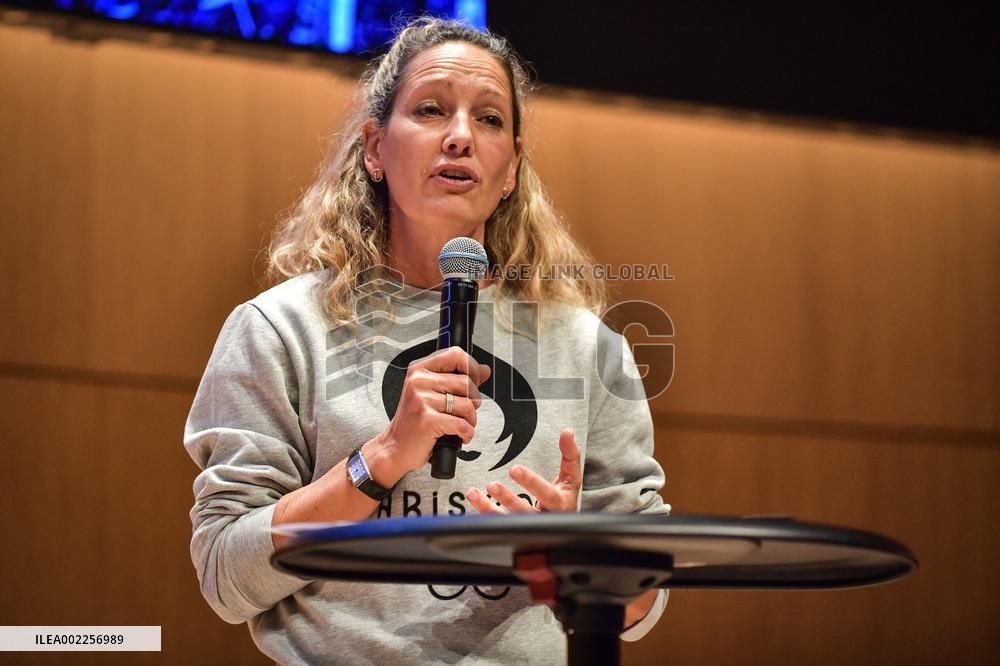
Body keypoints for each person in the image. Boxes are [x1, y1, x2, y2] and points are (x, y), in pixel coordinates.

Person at [184, 17, 670, 665]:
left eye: (491, 120)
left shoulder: (591, 348)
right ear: (375, 150)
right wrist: (382, 456)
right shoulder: (278, 328)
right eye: (432, 110)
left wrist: (567, 557)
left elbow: (643, 604)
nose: (462, 137)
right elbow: (227, 578)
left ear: (511, 171)